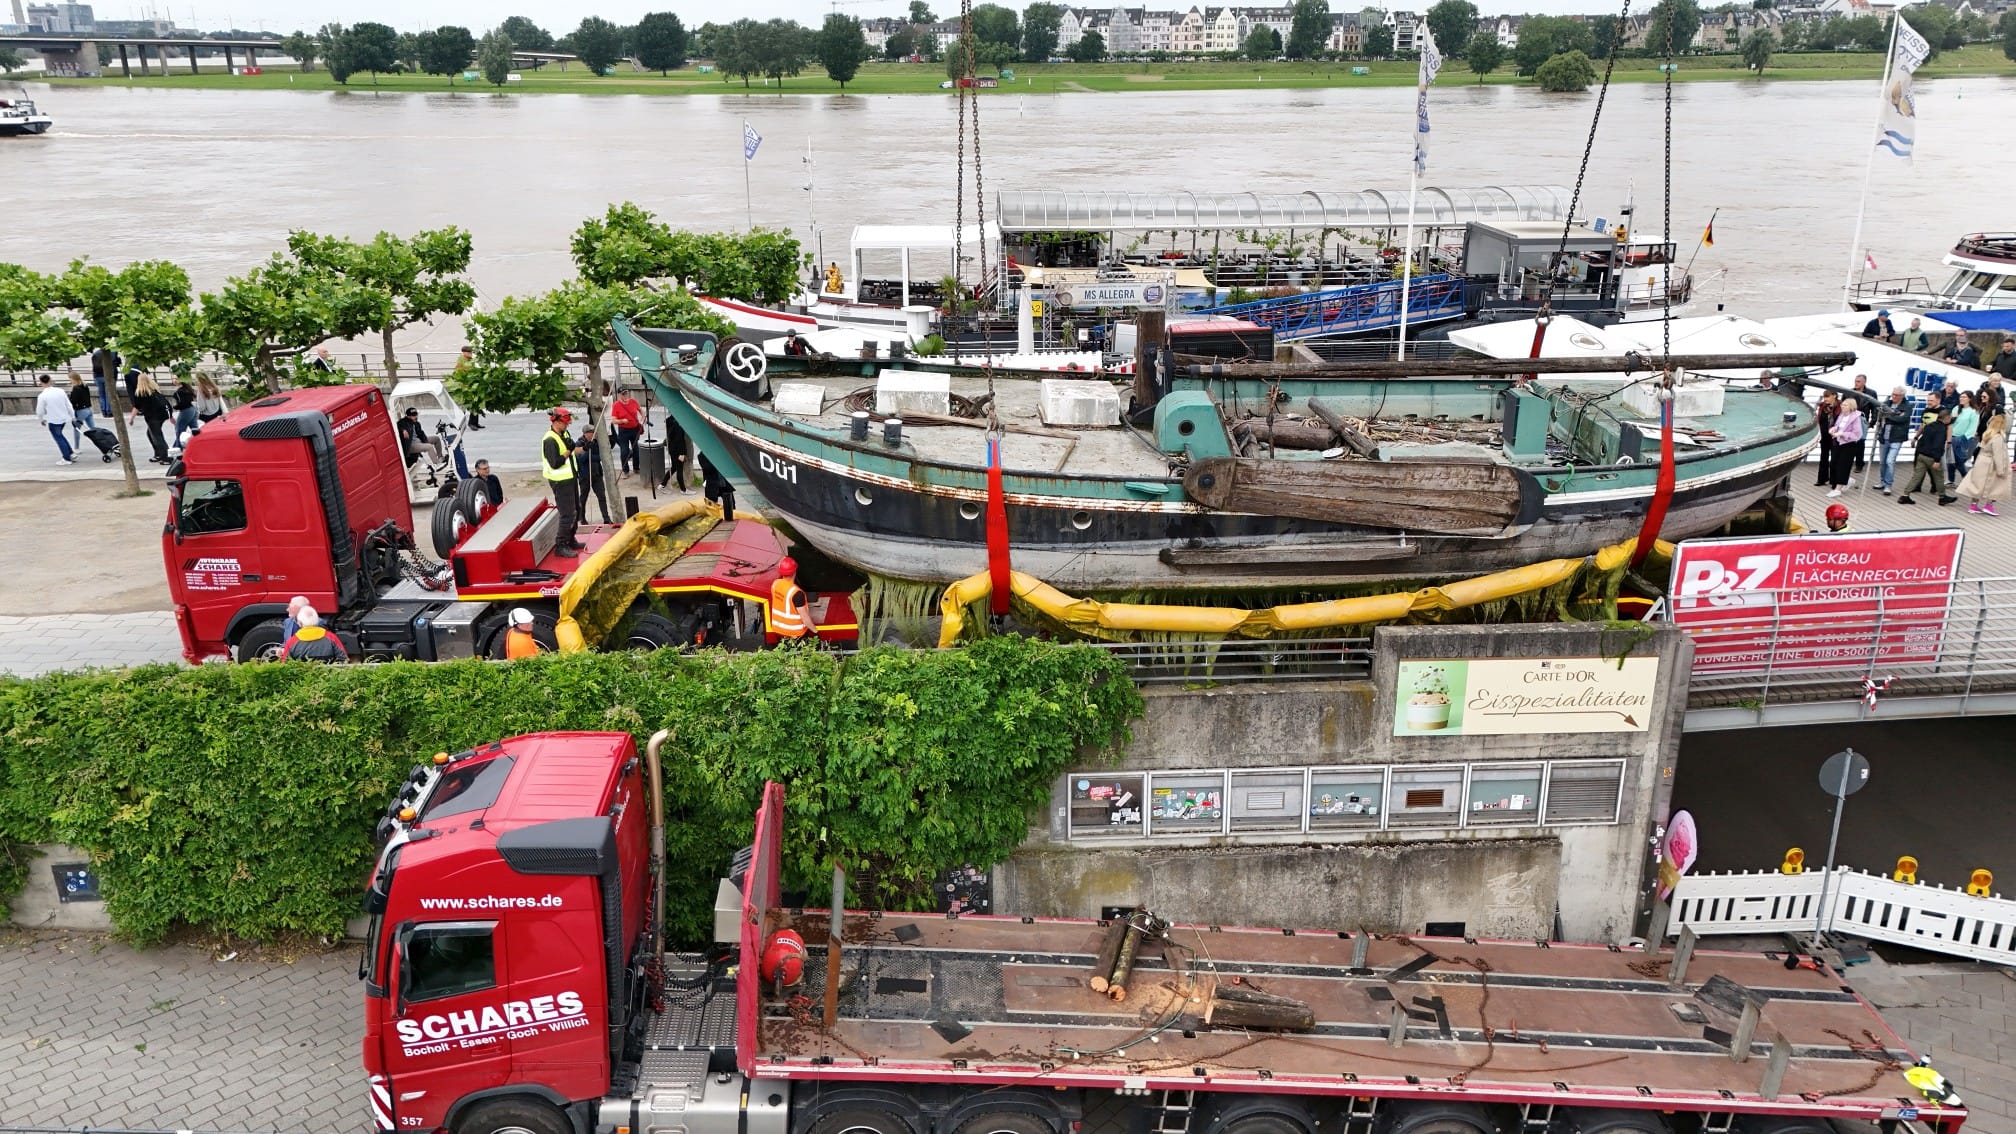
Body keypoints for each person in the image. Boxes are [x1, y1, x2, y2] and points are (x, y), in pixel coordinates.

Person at [540, 406, 587, 558]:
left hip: (571, 477)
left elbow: (572, 450)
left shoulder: (563, 432)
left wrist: (583, 448)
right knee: (567, 514)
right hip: (560, 481)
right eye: (566, 422)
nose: (569, 424)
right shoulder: (549, 440)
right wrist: (568, 451)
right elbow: (555, 462)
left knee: (577, 509)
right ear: (557, 422)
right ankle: (561, 545)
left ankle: (570, 539)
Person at [1897, 394, 1955, 506]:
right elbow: (1938, 446)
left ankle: (1905, 495)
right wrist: (1937, 460)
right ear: (1946, 418)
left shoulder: (1930, 425)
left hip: (1921, 454)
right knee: (1939, 476)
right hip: (1931, 456)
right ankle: (1942, 497)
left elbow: (1923, 436)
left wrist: (1915, 440)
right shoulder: (1941, 429)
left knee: (1916, 476)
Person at [1959, 413, 2011, 516]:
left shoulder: (1987, 435)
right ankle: (1989, 505)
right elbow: (1998, 454)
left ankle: (1973, 505)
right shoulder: (1998, 438)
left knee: (1978, 484)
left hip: (1981, 462)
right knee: (1995, 485)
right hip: (1991, 464)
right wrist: (2001, 470)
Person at [129, 374, 173, 464]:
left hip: (152, 418)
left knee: (157, 437)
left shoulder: (140, 393)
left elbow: (136, 407)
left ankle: (166, 457)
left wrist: (131, 419)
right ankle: (158, 454)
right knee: (150, 434)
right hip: (161, 416)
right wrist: (171, 416)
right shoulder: (154, 390)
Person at [574, 424, 613, 525]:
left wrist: (590, 455)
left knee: (602, 496)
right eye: (592, 433)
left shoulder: (596, 442)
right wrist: (586, 451)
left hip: (596, 474)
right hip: (585, 476)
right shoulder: (579, 443)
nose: (594, 435)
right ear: (586, 433)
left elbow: (600, 457)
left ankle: (606, 518)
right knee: (583, 498)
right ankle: (582, 518)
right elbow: (580, 459)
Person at [1876, 387, 1912, 494]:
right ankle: (1882, 481)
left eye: (1897, 395)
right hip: (1884, 436)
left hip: (1896, 437)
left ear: (1902, 396)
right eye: (1893, 394)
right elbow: (1879, 413)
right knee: (1882, 462)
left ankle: (1888, 484)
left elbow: (1902, 419)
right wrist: (1893, 414)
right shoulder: (1886, 403)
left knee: (1890, 461)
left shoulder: (1907, 406)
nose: (1894, 397)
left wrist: (1889, 416)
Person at [768, 556, 813, 642]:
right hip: (795, 634)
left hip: (779, 631)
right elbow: (805, 618)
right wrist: (815, 631)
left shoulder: (775, 584)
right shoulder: (796, 593)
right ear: (795, 571)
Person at [35, 375, 77, 464]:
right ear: (50, 381)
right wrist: (72, 416)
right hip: (64, 417)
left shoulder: (42, 396)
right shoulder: (60, 391)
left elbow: (40, 410)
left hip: (53, 419)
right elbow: (68, 404)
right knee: (60, 436)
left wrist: (41, 419)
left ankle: (66, 458)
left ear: (41, 383)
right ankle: (71, 453)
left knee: (58, 438)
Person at [281, 606, 348, 662]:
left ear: (300, 623)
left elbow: (285, 663)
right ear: (317, 620)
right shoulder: (331, 637)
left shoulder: (292, 641)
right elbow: (343, 659)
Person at [1826, 394, 1862, 497]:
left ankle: (1838, 488)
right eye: (1842, 404)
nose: (1842, 406)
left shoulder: (1856, 418)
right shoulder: (1842, 415)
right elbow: (1838, 425)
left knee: (1843, 466)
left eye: (1845, 405)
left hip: (1848, 444)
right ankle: (1842, 481)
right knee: (1834, 463)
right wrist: (1834, 429)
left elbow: (1857, 434)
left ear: (1851, 406)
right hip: (1838, 442)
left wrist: (1842, 434)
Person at [609, 387, 644, 477]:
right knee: (624, 451)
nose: (625, 395)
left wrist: (643, 417)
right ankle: (626, 471)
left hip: (635, 428)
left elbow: (640, 409)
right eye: (623, 394)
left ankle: (636, 468)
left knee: (636, 449)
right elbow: (613, 420)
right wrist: (622, 421)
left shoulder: (633, 401)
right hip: (623, 430)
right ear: (619, 395)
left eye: (627, 393)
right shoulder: (616, 405)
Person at [1946, 391, 1979, 483]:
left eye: (1964, 397)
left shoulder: (1974, 412)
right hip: (1951, 436)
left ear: (1970, 399)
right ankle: (1951, 479)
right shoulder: (1956, 408)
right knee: (1950, 460)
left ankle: (1967, 478)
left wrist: (1963, 438)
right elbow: (1950, 423)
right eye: (1961, 397)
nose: (1961, 399)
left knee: (1959, 460)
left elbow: (1972, 428)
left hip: (1963, 438)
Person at [453, 346, 484, 430]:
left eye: (471, 352)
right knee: (464, 406)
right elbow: (459, 373)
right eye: (469, 352)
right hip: (464, 387)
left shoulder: (470, 360)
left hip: (471, 385)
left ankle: (474, 423)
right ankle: (459, 423)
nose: (471, 354)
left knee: (475, 405)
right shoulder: (461, 360)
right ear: (464, 352)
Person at [699, 451, 735, 521]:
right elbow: (708, 468)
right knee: (711, 509)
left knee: (731, 507)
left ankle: (732, 521)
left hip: (725, 484)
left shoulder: (721, 451)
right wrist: (718, 460)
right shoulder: (702, 455)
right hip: (712, 485)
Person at [1814, 391, 1839, 487]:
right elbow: (1820, 419)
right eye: (1825, 397)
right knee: (1823, 456)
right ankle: (1822, 479)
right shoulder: (1823, 406)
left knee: (1834, 458)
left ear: (1834, 396)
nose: (1825, 399)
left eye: (1828, 397)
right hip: (1824, 434)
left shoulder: (1839, 407)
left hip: (1834, 436)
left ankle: (1834, 481)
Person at [1849, 375, 1871, 479]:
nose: (1856, 383)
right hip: (1851, 420)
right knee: (1850, 441)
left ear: (1864, 382)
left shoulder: (1871, 393)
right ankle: (1850, 460)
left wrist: (1873, 421)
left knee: (1861, 442)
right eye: (1855, 381)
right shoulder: (1850, 392)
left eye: (1858, 381)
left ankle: (1859, 463)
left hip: (1862, 420)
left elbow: (1875, 407)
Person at [66, 372, 95, 447]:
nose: (70, 381)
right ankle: (102, 443)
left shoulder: (76, 388)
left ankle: (76, 447)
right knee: (93, 429)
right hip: (89, 409)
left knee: (77, 429)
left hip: (81, 410)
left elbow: (74, 401)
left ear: (73, 379)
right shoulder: (85, 385)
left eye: (70, 379)